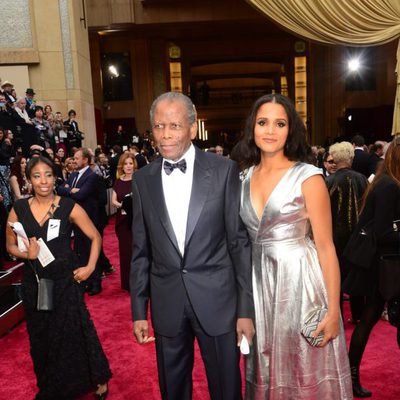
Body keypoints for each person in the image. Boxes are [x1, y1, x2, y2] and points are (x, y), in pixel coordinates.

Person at [130, 92, 255, 400]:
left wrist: (245, 309)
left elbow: (238, 243)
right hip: (166, 301)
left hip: (218, 300)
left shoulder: (224, 170)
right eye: (159, 126)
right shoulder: (143, 178)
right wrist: (138, 310)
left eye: (174, 125)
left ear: (190, 128)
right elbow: (140, 249)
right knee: (172, 390)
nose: (165, 134)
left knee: (226, 388)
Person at [235, 93, 352, 399]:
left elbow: (326, 247)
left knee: (304, 372)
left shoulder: (308, 177)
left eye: (280, 123)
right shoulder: (242, 178)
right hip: (259, 288)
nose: (270, 130)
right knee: (266, 368)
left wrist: (332, 311)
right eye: (263, 122)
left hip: (301, 285)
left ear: (291, 130)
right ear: (252, 128)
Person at [6, 155, 111, 399]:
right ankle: (53, 385)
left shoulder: (68, 206)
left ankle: (97, 379)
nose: (43, 181)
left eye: (48, 175)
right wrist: (25, 253)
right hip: (35, 282)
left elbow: (96, 236)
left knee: (75, 331)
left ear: (56, 177)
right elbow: (10, 246)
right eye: (36, 176)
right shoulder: (19, 208)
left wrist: (90, 267)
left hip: (66, 281)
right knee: (43, 336)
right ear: (29, 180)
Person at [344, 137, 400, 397]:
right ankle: (350, 377)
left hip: (383, 263)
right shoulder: (389, 185)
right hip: (382, 265)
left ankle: (350, 377)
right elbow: (383, 232)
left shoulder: (386, 181)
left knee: (369, 319)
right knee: (368, 319)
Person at [326, 142, 368, 323]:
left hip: (334, 238)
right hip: (358, 237)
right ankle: (358, 315)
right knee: (357, 277)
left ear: (334, 158)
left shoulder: (328, 182)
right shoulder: (362, 179)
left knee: (335, 278)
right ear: (351, 157)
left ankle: (338, 316)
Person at [57, 148, 102, 295]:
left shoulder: (92, 176)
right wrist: (71, 190)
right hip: (74, 219)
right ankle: (84, 281)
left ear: (85, 160)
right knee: (80, 251)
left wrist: (69, 190)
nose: (74, 161)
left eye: (77, 158)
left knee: (91, 250)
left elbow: (82, 195)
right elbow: (59, 190)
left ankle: (95, 283)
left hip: (90, 219)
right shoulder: (73, 175)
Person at [112, 153, 137, 290]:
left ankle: (139, 281)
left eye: (131, 163)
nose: (128, 166)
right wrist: (123, 205)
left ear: (134, 165)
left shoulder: (139, 179)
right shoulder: (118, 181)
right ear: (122, 165)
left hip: (136, 220)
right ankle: (127, 283)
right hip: (122, 221)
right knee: (125, 251)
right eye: (126, 164)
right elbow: (113, 200)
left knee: (137, 251)